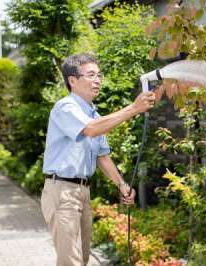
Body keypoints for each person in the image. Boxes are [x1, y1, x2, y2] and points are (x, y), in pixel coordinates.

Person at [41, 53, 156, 266]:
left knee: (82, 259)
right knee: (71, 262)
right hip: (62, 191)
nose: (97, 80)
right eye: (91, 75)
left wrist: (121, 184)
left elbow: (102, 155)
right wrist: (134, 108)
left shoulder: (94, 114)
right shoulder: (66, 107)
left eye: (99, 75)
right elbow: (90, 130)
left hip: (82, 192)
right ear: (72, 80)